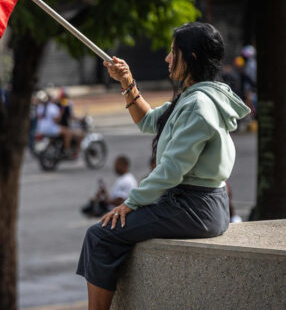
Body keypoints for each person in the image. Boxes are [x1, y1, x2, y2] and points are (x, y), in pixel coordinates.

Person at [77, 22, 250, 310]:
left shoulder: (198, 105)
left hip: (194, 208)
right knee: (106, 233)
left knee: (100, 236)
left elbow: (171, 170)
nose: (167, 58)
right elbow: (148, 121)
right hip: (195, 205)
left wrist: (131, 203)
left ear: (191, 57)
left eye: (173, 52)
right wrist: (126, 81)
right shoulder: (196, 96)